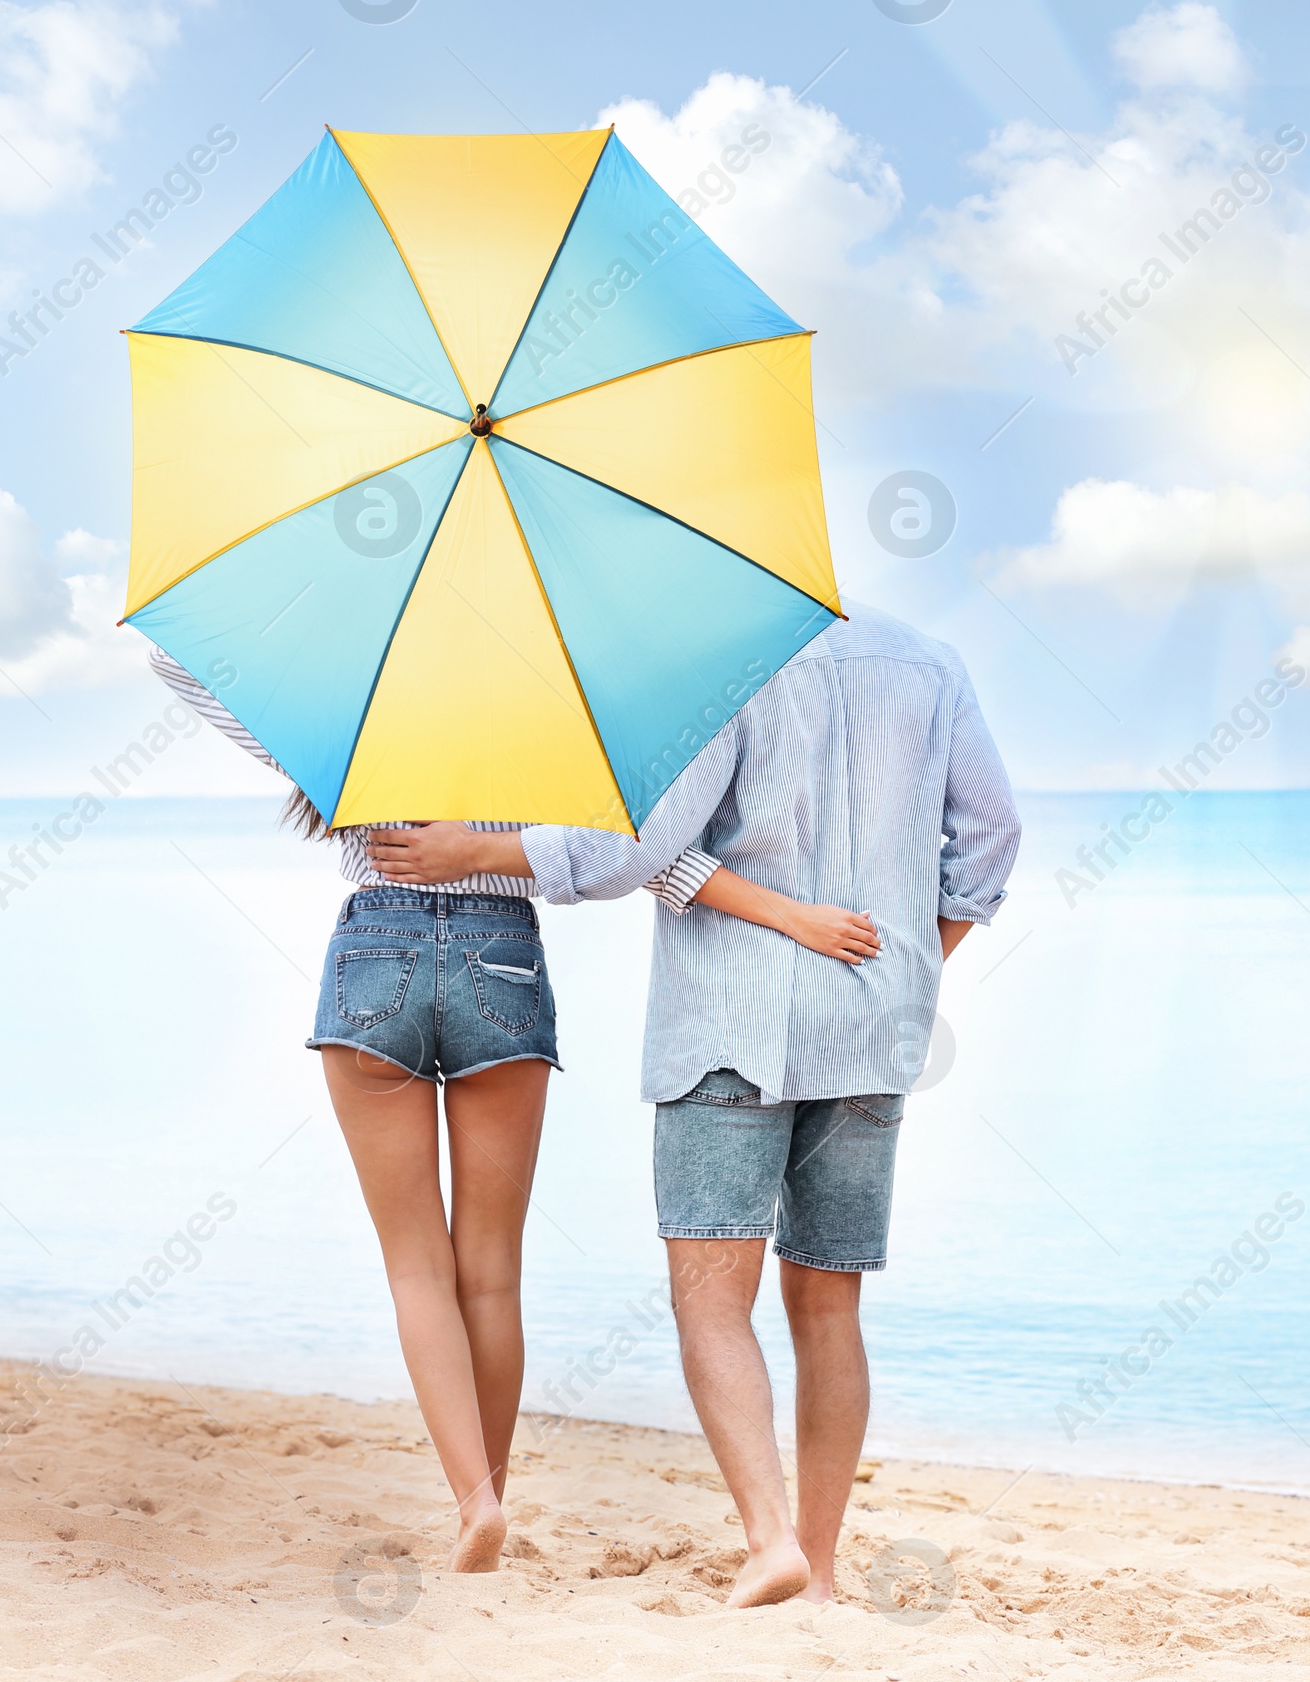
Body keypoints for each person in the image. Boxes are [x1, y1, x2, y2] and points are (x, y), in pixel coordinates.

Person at [147, 645, 867, 1575]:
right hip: (504, 960)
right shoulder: (550, 720)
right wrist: (793, 916)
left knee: (416, 1269)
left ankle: (472, 1503)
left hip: (377, 953)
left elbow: (185, 668)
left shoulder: (353, 726)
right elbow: (644, 859)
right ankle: (488, 1500)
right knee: (490, 1270)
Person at [369, 600, 1021, 1607]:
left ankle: (768, 1540)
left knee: (713, 1302)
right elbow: (991, 839)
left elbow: (640, 847)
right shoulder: (930, 664)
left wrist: (479, 854)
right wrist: (913, 971)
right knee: (829, 1301)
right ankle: (821, 1566)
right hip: (870, 1032)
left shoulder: (722, 666)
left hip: (730, 1025)